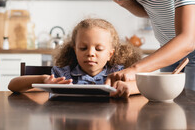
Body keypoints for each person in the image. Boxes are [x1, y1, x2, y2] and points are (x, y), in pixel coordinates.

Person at [8, 18, 141, 98]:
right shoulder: (62, 76)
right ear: (74, 50)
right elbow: (12, 85)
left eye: (99, 49)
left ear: (110, 54)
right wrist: (43, 79)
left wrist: (128, 86)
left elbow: (144, 86)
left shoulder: (118, 74)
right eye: (83, 48)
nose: (90, 53)